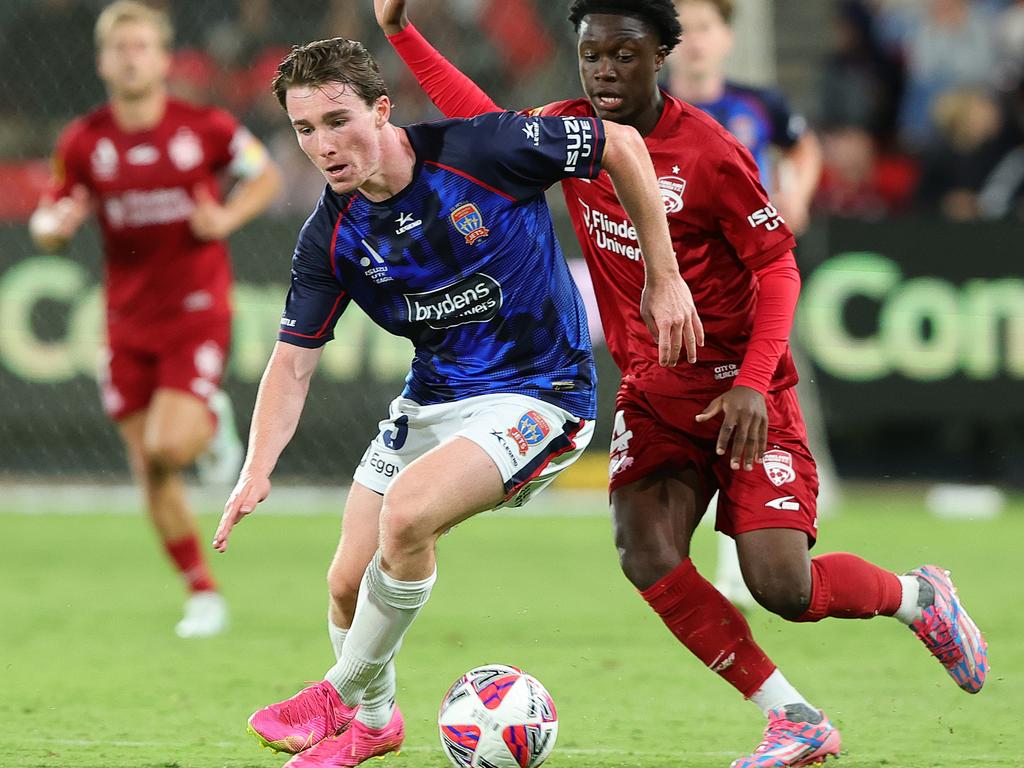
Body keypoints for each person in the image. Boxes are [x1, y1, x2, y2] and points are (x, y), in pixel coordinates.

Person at [375, 1, 989, 766]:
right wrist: (402, 32)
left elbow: (778, 266)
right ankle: (793, 717)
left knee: (781, 589)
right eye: (591, 54)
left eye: (623, 55)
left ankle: (916, 597)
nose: (604, 70)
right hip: (654, 396)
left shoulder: (711, 152)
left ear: (662, 55)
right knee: (646, 551)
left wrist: (756, 384)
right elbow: (483, 120)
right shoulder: (573, 133)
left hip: (744, 395)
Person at [210, 36, 699, 768]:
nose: (324, 145)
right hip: (435, 400)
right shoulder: (331, 236)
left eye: (338, 120)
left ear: (381, 109)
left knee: (407, 519)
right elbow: (292, 363)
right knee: (345, 582)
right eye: (305, 129)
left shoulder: (484, 150)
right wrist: (257, 468)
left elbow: (623, 144)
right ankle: (374, 723)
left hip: (543, 394)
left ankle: (334, 694)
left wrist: (663, 277)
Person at [29, 0, 281, 638]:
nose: (130, 56)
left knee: (170, 445)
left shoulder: (205, 127)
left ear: (164, 58)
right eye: (119, 48)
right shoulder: (85, 140)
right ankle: (202, 592)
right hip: (125, 319)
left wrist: (223, 220)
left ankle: (212, 424)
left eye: (142, 46)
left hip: (195, 309)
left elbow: (265, 175)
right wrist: (51, 230)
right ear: (102, 61)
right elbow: (54, 213)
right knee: (149, 464)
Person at [666, 0, 830, 611]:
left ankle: (747, 547)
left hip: (750, 278)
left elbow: (804, 148)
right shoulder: (650, 112)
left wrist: (798, 195)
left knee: (753, 393)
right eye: (682, 33)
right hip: (682, 285)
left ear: (728, 37)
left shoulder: (759, 105)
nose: (694, 43)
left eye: (705, 29)